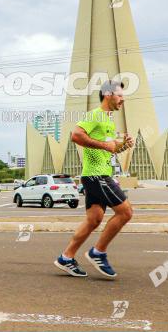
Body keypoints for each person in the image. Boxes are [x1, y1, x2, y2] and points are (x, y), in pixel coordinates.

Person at [54, 80, 134, 279]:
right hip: (97, 175)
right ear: (108, 94)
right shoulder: (95, 115)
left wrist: (123, 146)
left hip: (96, 174)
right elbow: (76, 136)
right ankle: (98, 252)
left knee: (94, 220)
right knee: (125, 213)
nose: (123, 99)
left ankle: (66, 257)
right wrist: (105, 146)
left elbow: (109, 149)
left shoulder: (108, 120)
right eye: (120, 95)